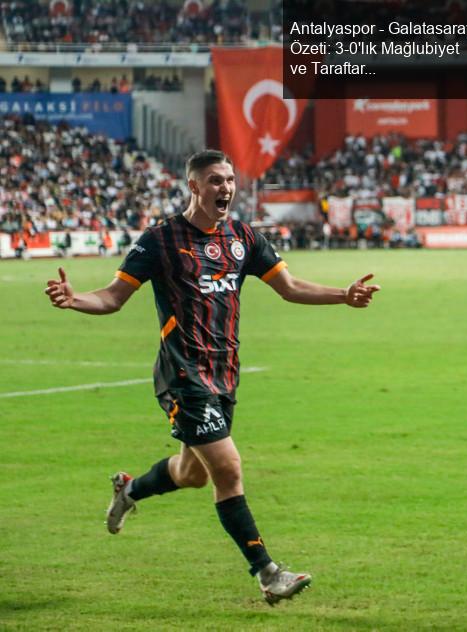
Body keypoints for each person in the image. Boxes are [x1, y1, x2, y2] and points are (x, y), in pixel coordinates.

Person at [44, 149, 380, 605]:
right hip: (183, 374)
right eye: (215, 181)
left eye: (229, 180)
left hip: (225, 372)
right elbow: (112, 297)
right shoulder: (160, 240)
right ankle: (268, 573)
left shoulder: (243, 237)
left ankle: (130, 488)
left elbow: (291, 287)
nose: (225, 188)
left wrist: (344, 294)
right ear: (194, 187)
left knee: (191, 473)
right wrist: (74, 298)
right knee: (228, 469)